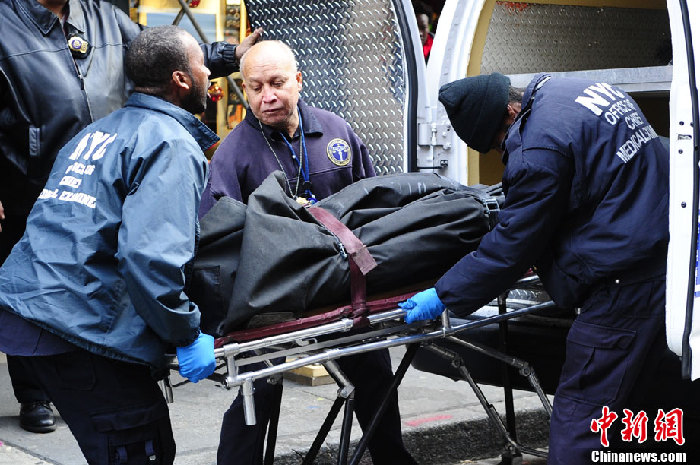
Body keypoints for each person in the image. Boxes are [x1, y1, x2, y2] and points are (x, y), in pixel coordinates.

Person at [0, 0, 260, 433]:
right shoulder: (169, 144)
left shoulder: (100, 18)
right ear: (182, 80)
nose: (205, 73)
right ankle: (35, 397)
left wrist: (227, 55)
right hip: (36, 193)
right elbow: (150, 258)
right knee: (140, 440)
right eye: (200, 68)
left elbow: (157, 51)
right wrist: (186, 332)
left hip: (89, 180)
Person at [400, 72, 680, 463]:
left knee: (580, 415)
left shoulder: (538, 147)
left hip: (622, 286)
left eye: (498, 143)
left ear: (508, 114)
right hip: (667, 261)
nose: (504, 151)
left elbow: (512, 246)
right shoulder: (577, 91)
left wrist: (445, 294)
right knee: (637, 401)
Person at [201, 40, 417, 465]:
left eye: (277, 83)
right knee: (259, 389)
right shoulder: (232, 154)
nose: (267, 96)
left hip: (343, 282)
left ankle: (393, 459)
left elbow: (372, 203)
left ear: (298, 80)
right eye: (256, 87)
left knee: (374, 373)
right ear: (244, 90)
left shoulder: (337, 131)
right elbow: (216, 239)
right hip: (273, 295)